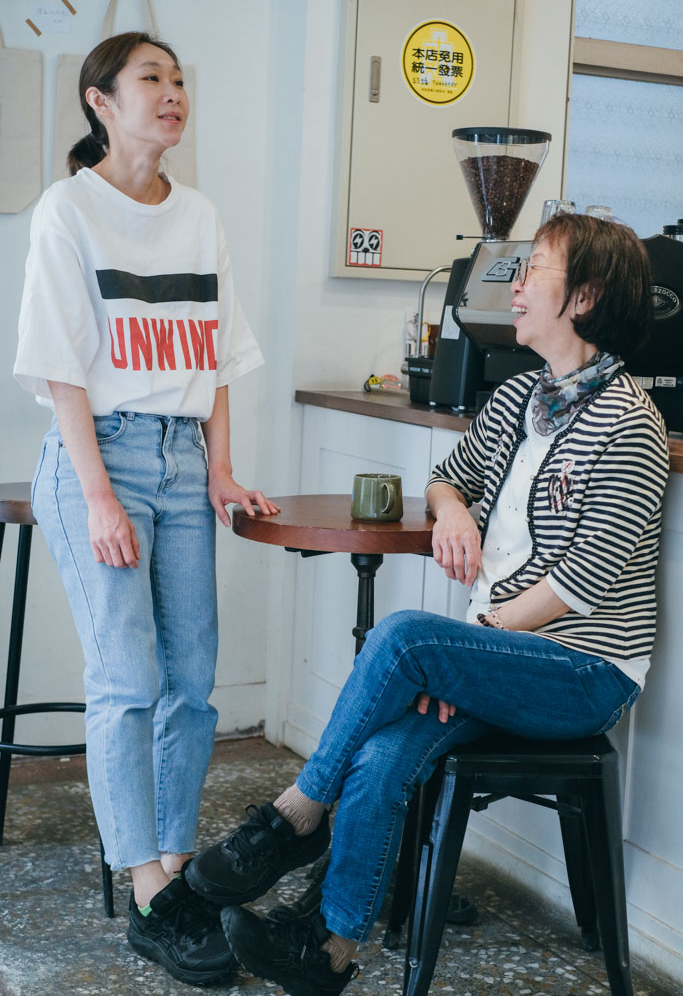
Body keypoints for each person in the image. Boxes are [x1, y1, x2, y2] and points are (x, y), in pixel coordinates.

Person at [185, 214, 670, 996]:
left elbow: (582, 582)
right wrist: (453, 516)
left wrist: (465, 655)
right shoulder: (519, 398)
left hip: (584, 673)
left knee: (408, 636)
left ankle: (294, 814)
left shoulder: (629, 425)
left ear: (583, 296)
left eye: (534, 270)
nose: (514, 287)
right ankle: (328, 951)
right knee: (381, 758)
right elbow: (447, 477)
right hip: (505, 656)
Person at [14, 31, 279, 987]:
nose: (172, 94)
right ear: (101, 101)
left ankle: (173, 870)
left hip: (179, 462)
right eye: (151, 79)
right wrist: (96, 496)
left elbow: (214, 359)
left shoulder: (198, 215)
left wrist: (220, 469)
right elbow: (60, 367)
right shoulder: (68, 209)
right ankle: (149, 894)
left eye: (178, 80)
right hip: (100, 458)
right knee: (127, 680)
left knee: (191, 685)